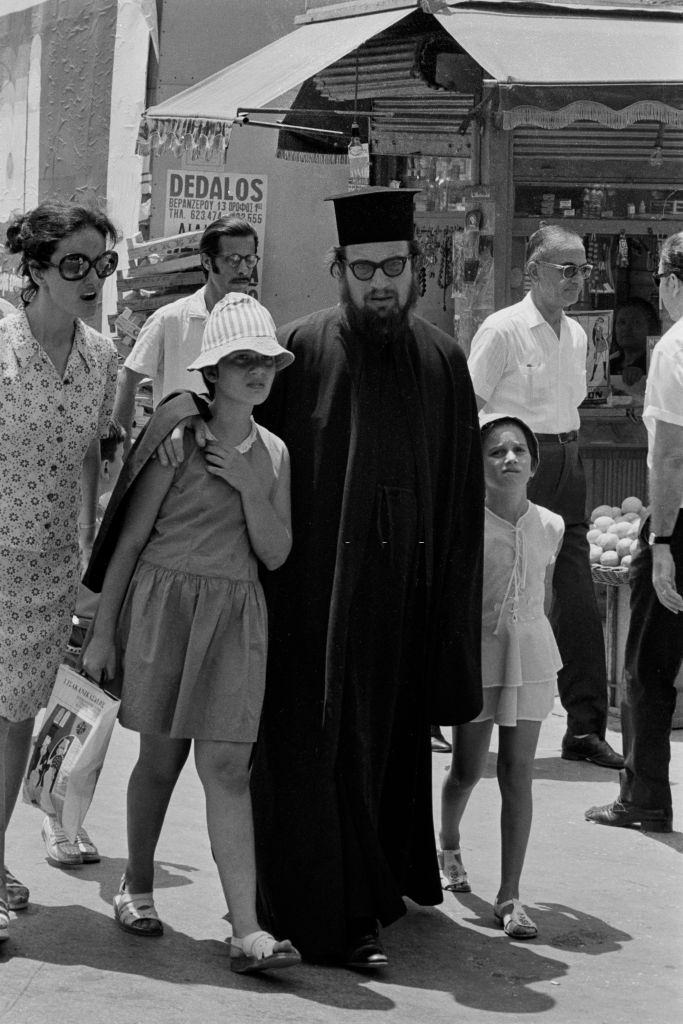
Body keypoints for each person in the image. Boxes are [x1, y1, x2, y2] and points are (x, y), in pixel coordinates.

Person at [158, 187, 485, 967]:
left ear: (415, 272)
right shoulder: (298, 352)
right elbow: (226, 417)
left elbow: (461, 503)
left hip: (400, 611)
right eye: (364, 269)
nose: (380, 284)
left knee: (383, 752)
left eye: (394, 269)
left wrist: (448, 629)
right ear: (339, 269)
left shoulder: (442, 361)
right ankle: (325, 917)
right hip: (305, 608)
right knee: (309, 757)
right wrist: (175, 426)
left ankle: (372, 892)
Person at [81, 293, 301, 974]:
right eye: (241, 360)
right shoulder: (176, 440)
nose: (256, 371)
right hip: (164, 609)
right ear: (214, 372)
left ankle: (247, 929)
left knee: (228, 768)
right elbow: (131, 540)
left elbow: (276, 553)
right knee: (160, 759)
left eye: (263, 359)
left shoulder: (273, 452)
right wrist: (103, 633)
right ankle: (137, 883)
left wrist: (245, 484)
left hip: (235, 619)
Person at [0, 200, 119, 942]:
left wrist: (88, 553)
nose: (90, 279)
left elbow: (89, 457)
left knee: (16, 720)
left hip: (46, 568)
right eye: (72, 264)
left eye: (100, 264)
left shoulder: (102, 357)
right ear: (35, 271)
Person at [468, 225, 623, 770]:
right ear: (532, 272)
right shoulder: (503, 329)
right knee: (497, 595)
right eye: (565, 269)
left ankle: (584, 727)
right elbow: (471, 410)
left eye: (583, 269)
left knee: (577, 598)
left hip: (568, 463)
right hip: (516, 467)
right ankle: (459, 713)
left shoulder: (579, 337)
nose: (577, 279)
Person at [439, 414, 564, 940]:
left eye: (519, 451)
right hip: (481, 657)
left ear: (534, 463)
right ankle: (448, 843)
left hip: (530, 656)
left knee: (518, 773)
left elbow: (546, 591)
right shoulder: (465, 524)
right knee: (468, 770)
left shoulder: (552, 525)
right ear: (479, 463)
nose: (509, 459)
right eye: (496, 452)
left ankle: (510, 895)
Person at [586, 232, 683, 834]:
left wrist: (665, 545)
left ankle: (644, 796)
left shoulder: (674, 348)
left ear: (671, 283)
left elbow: (670, 460)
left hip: (680, 523)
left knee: (647, 667)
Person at [113, 216, 259, 448]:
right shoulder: (169, 319)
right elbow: (127, 381)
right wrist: (122, 450)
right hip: (177, 457)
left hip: (234, 457)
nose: (243, 269)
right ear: (207, 262)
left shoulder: (256, 321)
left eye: (249, 260)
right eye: (233, 259)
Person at [609, 297, 660, 391]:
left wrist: (642, 373)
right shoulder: (609, 365)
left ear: (650, 328)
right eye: (622, 322)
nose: (627, 328)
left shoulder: (656, 363)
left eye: (636, 323)